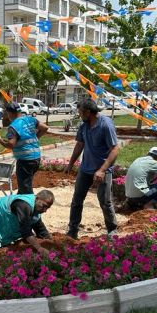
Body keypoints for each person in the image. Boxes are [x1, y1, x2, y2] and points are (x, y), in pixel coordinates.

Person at [65, 98, 119, 239]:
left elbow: (114, 149)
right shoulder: (84, 126)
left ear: (88, 112)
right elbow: (79, 145)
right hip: (85, 169)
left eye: (81, 113)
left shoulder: (106, 125)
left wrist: (102, 170)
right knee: (77, 200)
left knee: (105, 202)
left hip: (102, 171)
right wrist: (71, 163)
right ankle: (72, 230)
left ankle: (112, 229)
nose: (79, 115)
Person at [0, 102, 49, 194]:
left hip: (25, 161)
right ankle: (21, 201)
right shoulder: (30, 119)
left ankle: (29, 205)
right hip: (36, 158)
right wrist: (35, 137)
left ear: (10, 113)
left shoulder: (13, 126)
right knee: (25, 185)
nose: (7, 116)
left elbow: (11, 144)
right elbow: (45, 128)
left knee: (25, 190)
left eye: (7, 114)